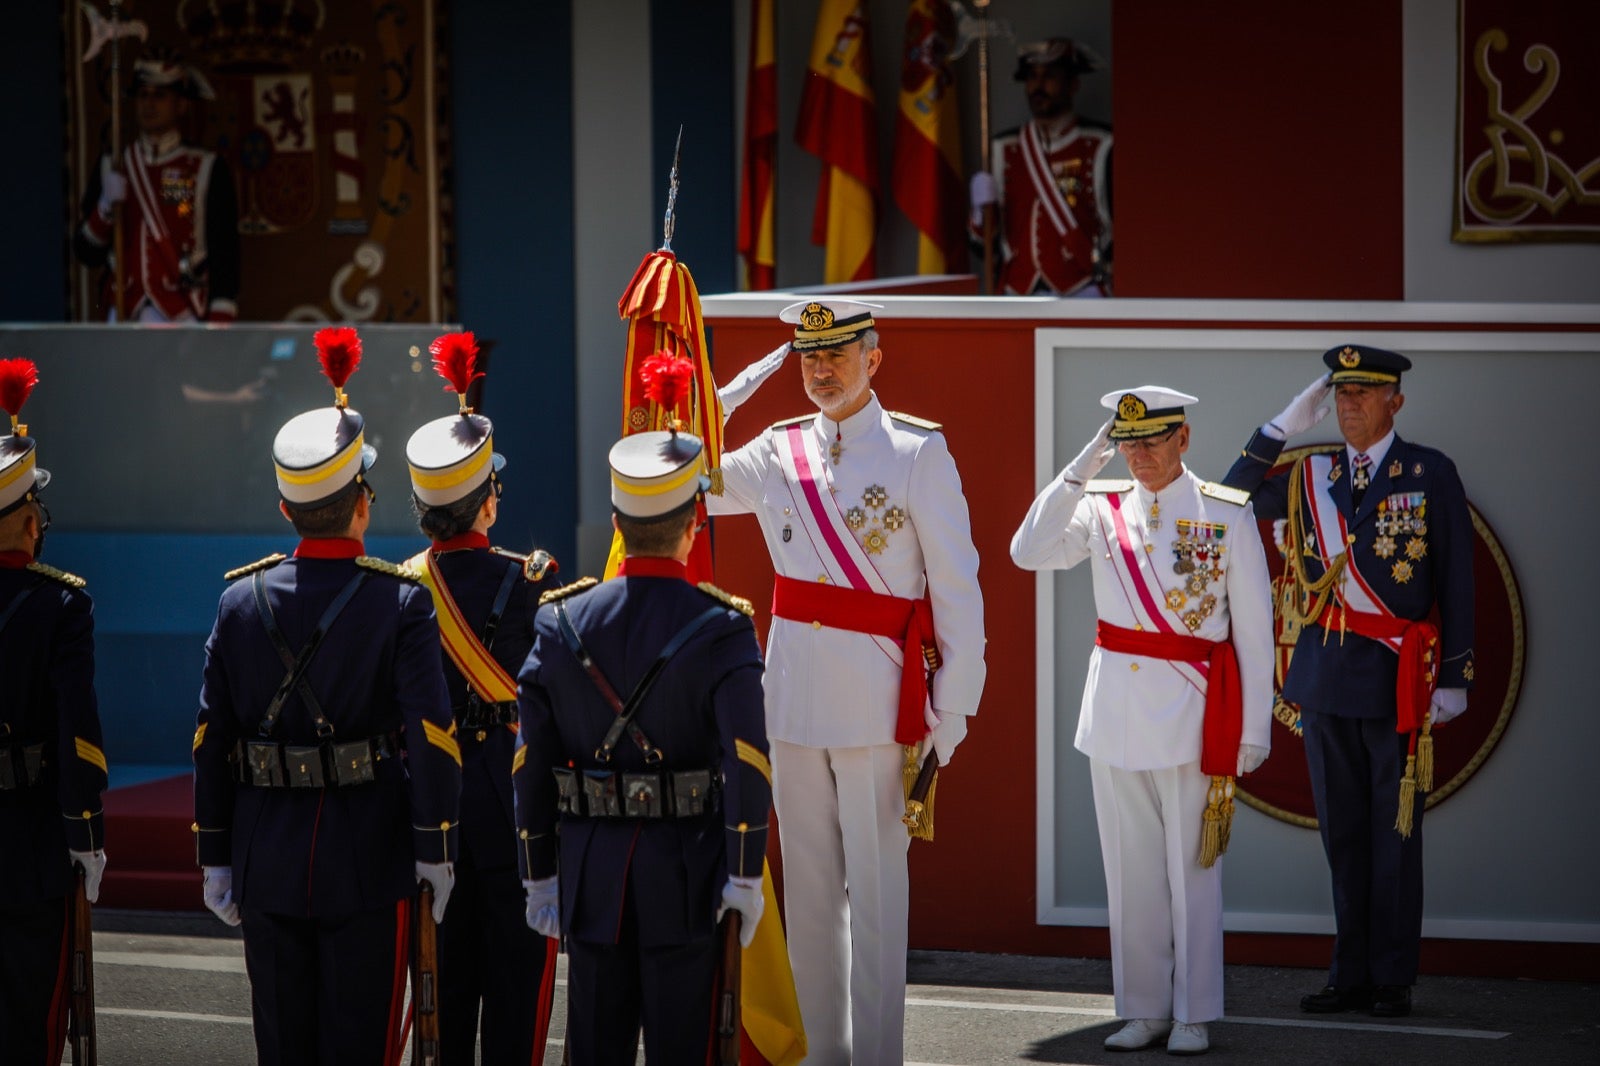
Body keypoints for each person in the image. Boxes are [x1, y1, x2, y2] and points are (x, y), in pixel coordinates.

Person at [707, 298, 987, 1064]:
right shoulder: (776, 448)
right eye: (808, 357)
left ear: (874, 358)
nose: (821, 371)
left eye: (836, 355)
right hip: (793, 703)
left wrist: (953, 708)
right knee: (809, 897)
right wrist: (714, 399)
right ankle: (821, 1054)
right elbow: (688, 480)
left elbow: (957, 586)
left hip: (879, 705)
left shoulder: (915, 453)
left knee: (877, 896)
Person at [191, 328, 461, 1065]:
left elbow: (212, 737)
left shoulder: (239, 602)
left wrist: (216, 853)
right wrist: (435, 848)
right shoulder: (399, 603)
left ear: (286, 508)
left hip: (266, 854)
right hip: (367, 858)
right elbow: (431, 735)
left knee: (284, 1047)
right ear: (362, 503)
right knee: (360, 1045)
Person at [1011, 388, 1273, 1055]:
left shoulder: (1224, 512)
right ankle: (1144, 1007)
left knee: (1192, 871)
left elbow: (1254, 630)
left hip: (1191, 711)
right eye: (1127, 443)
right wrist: (1080, 468)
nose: (1139, 456)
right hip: (1118, 714)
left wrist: (1253, 729)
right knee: (1129, 875)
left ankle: (1194, 1010)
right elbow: (1027, 549)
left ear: (1182, 439)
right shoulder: (1100, 511)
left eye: (1152, 441)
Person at [1222, 346, 1474, 1019]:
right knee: (1342, 834)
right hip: (1326, 679)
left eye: (1365, 393)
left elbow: (1455, 578)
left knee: (1394, 833)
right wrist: (1278, 430)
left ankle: (1391, 977)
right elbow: (1226, 501)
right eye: (1340, 394)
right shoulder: (1312, 474)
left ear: (1396, 400)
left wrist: (1455, 677)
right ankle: (1348, 974)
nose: (1350, 405)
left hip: (1397, 681)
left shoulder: (1428, 472)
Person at [512, 426, 770, 1064]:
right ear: (695, 522)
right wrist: (744, 872)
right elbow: (748, 758)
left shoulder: (557, 619)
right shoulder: (724, 626)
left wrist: (539, 873)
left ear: (616, 524)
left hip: (590, 871)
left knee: (594, 1047)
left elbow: (529, 762)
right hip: (687, 871)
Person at [403, 331, 560, 1064]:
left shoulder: (400, 586)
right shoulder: (530, 579)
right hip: (513, 816)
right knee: (515, 1007)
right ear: (488, 501)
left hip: (431, 818)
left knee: (443, 1005)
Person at [0, 359, 108, 1065]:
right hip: (27, 839)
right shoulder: (60, 604)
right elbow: (78, 737)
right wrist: (86, 833)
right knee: (27, 1021)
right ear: (32, 520)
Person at [73, 47, 240, 322]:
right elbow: (86, 253)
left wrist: (220, 315)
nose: (149, 104)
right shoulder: (113, 165)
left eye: (160, 96)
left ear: (181, 105)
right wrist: (103, 209)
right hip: (125, 310)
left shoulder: (206, 167)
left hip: (184, 310)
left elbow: (225, 251)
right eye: (143, 95)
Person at [970, 38, 1113, 296]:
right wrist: (981, 213)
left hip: (1083, 290)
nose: (1039, 85)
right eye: (1032, 77)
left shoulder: (1100, 144)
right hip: (1018, 291)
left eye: (1050, 76)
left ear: (1073, 84)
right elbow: (983, 246)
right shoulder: (1003, 148)